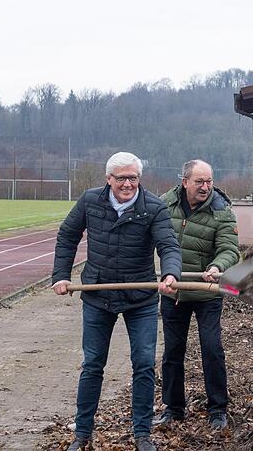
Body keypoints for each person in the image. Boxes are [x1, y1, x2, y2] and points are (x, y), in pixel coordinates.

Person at [52, 152, 182, 451]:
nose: (127, 184)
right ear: (108, 179)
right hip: (98, 294)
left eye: (132, 178)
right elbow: (68, 235)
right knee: (93, 364)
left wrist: (171, 273)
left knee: (144, 364)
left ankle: (142, 435)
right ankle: (82, 434)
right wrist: (60, 275)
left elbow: (168, 245)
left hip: (141, 298)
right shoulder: (89, 201)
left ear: (139, 179)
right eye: (121, 178)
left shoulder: (153, 206)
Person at [154, 160, 240, 430]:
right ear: (184, 182)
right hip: (174, 292)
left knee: (212, 349)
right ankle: (173, 408)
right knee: (172, 352)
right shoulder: (164, 205)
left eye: (209, 181)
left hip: (206, 293)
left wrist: (217, 266)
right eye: (199, 182)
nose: (205, 187)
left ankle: (217, 409)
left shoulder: (221, 211)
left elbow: (230, 250)